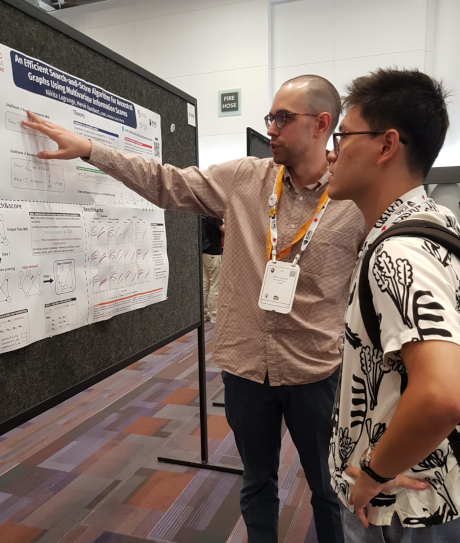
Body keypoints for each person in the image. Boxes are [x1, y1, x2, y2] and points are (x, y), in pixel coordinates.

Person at [23, 74, 368, 543]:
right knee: (257, 481)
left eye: (283, 118)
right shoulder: (245, 178)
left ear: (321, 124)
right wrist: (90, 149)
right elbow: (167, 183)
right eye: (270, 117)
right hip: (246, 366)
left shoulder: (353, 198)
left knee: (329, 488)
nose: (271, 128)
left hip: (314, 369)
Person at [327, 68, 460, 542]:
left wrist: (372, 475)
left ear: (386, 146)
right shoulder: (438, 221)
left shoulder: (398, 252)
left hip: (400, 507)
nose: (332, 152)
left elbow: (442, 394)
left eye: (343, 136)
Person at [202, 216, 224, 323]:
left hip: (203, 253)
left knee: (205, 285)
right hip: (214, 254)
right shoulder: (214, 216)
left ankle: (203, 314)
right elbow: (225, 230)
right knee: (215, 285)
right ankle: (215, 316)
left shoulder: (202, 216)